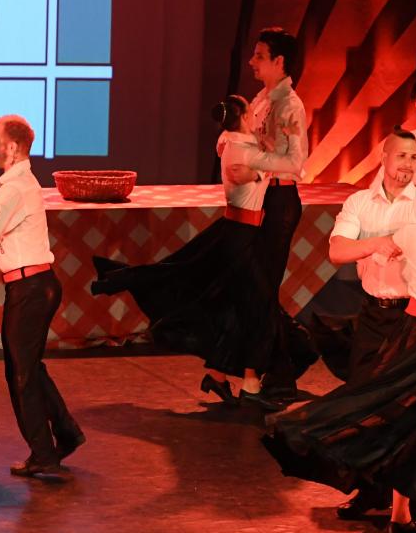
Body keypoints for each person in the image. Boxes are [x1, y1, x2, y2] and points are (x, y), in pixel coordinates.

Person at [263, 166, 416, 533]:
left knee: (405, 417)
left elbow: (366, 249)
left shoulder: (413, 233)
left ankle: (405, 515)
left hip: (414, 333)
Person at [91, 96, 301, 408]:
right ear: (244, 117)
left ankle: (219, 375)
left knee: (235, 305)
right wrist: (291, 139)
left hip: (241, 233)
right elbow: (291, 165)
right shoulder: (242, 151)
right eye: (252, 113)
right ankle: (250, 385)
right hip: (239, 236)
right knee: (259, 306)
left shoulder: (235, 142)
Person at [323, 127, 416, 521]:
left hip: (412, 316)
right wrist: (375, 243)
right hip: (373, 314)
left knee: (407, 408)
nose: (408, 164)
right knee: (364, 403)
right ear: (384, 157)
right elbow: (338, 251)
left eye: (414, 157)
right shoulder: (359, 203)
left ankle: (410, 500)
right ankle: (371, 490)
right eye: (401, 155)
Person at [0, 115, 85, 477]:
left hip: (29, 288)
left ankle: (43, 452)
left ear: (11, 147)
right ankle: (65, 433)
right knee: (29, 367)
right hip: (35, 285)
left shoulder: (15, 188)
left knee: (21, 374)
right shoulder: (20, 183)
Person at [247, 27, 312, 403]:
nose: (252, 62)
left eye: (259, 56)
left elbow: (295, 163)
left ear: (279, 61)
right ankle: (277, 363)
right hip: (260, 197)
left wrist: (253, 156)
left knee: (263, 288)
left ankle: (280, 369)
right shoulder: (262, 98)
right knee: (255, 287)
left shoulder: (289, 105)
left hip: (279, 199)